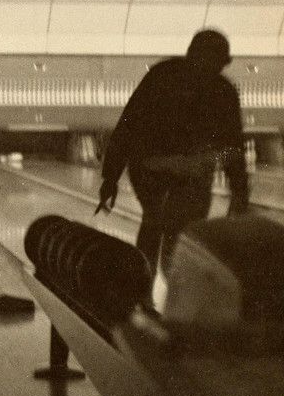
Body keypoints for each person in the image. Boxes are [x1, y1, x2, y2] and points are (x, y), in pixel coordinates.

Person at [97, 29, 249, 279]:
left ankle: (169, 285)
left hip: (184, 169)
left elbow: (234, 144)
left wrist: (240, 190)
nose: (214, 69)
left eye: (218, 64)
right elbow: (129, 123)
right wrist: (110, 177)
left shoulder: (223, 90)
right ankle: (148, 286)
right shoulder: (163, 76)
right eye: (211, 61)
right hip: (152, 166)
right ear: (191, 55)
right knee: (158, 221)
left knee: (177, 230)